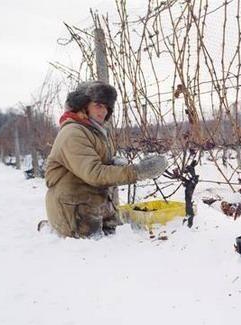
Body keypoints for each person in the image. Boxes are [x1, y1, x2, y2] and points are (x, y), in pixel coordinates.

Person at [45, 81, 167, 238]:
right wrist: (138, 171)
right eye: (98, 105)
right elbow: (94, 173)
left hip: (93, 207)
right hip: (74, 215)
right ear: (83, 105)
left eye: (107, 107)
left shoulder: (96, 130)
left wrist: (113, 163)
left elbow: (96, 163)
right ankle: (53, 228)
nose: (103, 111)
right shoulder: (72, 133)